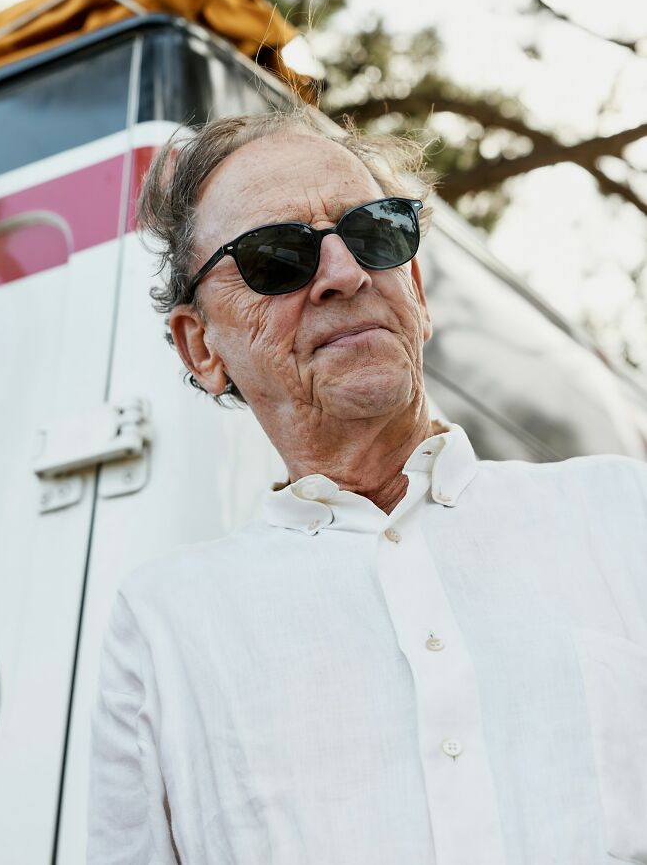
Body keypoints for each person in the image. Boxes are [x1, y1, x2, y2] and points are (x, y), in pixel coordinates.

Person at [86, 108, 647, 865]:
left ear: (413, 282)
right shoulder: (163, 629)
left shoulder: (621, 515)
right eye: (277, 256)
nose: (345, 274)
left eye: (375, 232)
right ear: (202, 346)